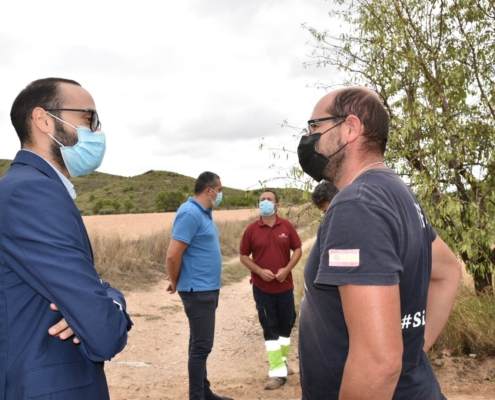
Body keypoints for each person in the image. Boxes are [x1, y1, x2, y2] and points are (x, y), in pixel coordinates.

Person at [297, 86, 461, 399]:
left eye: (315, 127)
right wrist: (410, 353)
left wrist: (397, 360)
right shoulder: (393, 191)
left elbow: (379, 364)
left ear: (350, 128)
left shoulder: (356, 206)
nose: (309, 138)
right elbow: (448, 271)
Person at [0, 78, 133, 399]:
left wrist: (87, 304)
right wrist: (110, 298)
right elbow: (103, 333)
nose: (97, 130)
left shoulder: (20, 188)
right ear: (43, 120)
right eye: (89, 118)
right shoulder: (33, 193)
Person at [165, 171, 233, 400]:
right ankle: (198, 396)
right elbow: (173, 256)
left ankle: (204, 391)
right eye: (220, 190)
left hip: (207, 288)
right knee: (202, 347)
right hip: (198, 291)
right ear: (209, 190)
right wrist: (174, 281)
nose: (221, 194)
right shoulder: (190, 213)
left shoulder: (205, 212)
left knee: (197, 344)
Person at [239, 190, 302, 390]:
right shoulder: (251, 229)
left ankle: (282, 363)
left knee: (286, 328)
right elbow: (243, 256)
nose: (265, 202)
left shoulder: (287, 226)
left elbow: (298, 249)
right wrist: (258, 271)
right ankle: (277, 373)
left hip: (285, 286)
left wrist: (287, 269)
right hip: (262, 289)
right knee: (271, 330)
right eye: (262, 200)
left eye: (269, 200)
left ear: (277, 206)